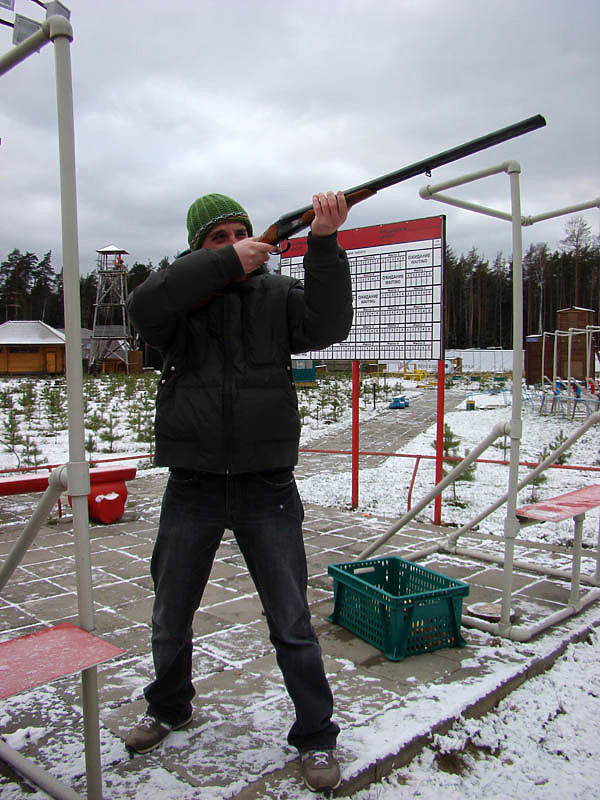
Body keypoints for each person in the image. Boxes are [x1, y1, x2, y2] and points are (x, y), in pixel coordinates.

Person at [125, 190, 353, 793]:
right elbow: (142, 303)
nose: (230, 245)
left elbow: (330, 326)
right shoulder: (175, 299)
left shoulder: (277, 296)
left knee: (293, 623)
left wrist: (324, 244)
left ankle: (316, 735)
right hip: (191, 485)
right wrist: (231, 263)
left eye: (239, 234)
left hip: (267, 485)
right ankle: (168, 707)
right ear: (196, 248)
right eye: (216, 238)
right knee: (171, 618)